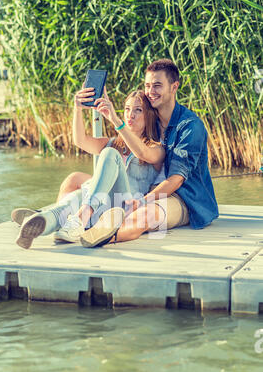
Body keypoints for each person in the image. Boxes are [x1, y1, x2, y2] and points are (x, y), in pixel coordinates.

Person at [80, 58, 219, 247]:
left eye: (157, 86)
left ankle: (99, 237)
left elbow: (176, 180)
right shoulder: (150, 120)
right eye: (147, 85)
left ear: (174, 87)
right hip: (145, 188)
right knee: (75, 182)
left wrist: (142, 201)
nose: (151, 92)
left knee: (146, 214)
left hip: (182, 197)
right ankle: (73, 225)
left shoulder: (190, 126)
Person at [14, 85, 165, 249]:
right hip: (96, 204)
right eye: (127, 109)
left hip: (120, 208)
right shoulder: (113, 142)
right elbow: (80, 141)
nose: (131, 115)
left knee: (109, 154)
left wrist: (115, 120)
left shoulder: (156, 149)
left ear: (149, 115)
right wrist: (77, 109)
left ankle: (75, 218)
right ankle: (41, 223)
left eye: (138, 110)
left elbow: (142, 152)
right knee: (71, 202)